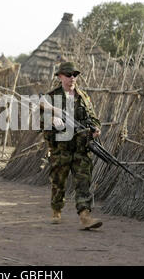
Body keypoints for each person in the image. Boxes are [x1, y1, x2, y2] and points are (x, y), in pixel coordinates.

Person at [41, 61, 103, 230]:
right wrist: (53, 121)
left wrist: (96, 128)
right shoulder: (51, 97)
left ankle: (85, 216)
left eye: (75, 75)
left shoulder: (83, 97)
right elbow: (42, 121)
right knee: (58, 181)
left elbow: (93, 117)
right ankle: (56, 209)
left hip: (81, 148)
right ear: (60, 77)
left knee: (84, 180)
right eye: (68, 75)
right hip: (61, 150)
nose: (72, 78)